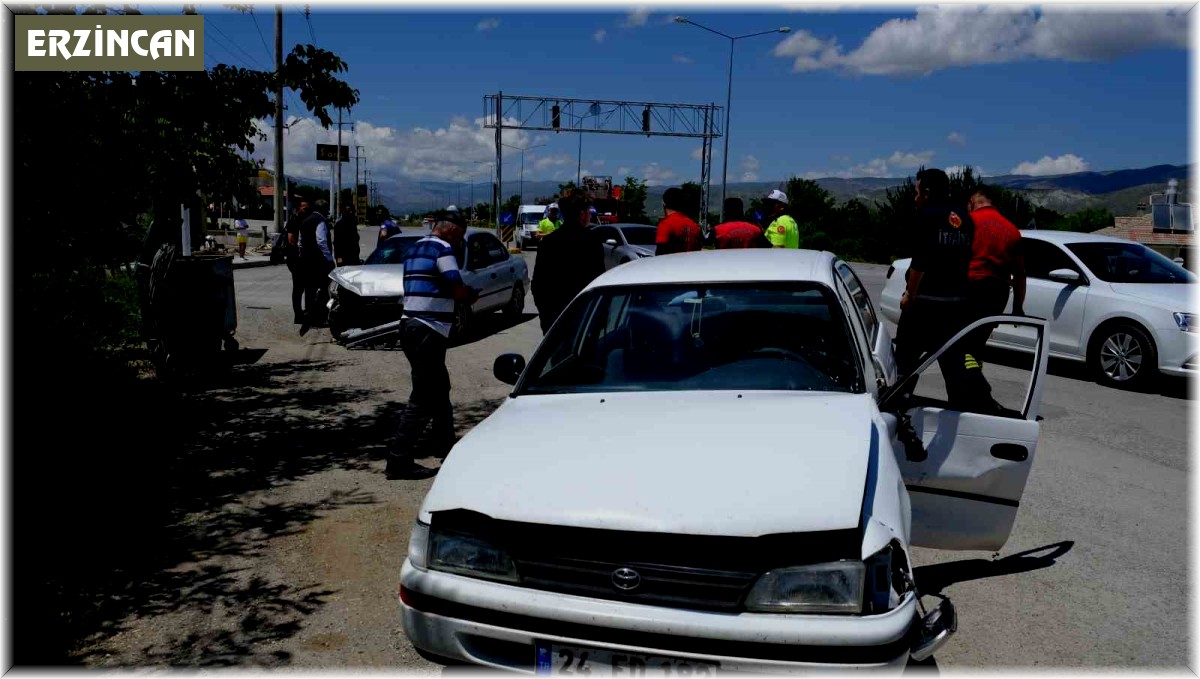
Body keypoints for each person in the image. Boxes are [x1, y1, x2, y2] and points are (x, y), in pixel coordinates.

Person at [389, 217, 478, 480]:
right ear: (450, 231)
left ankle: (445, 444)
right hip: (428, 329)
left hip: (410, 325)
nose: (460, 241)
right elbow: (454, 285)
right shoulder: (443, 249)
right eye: (459, 235)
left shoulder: (415, 248)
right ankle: (398, 460)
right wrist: (469, 295)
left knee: (439, 387)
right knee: (424, 395)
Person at [894, 168, 979, 410]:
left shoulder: (926, 216)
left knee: (905, 364)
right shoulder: (965, 218)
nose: (915, 198)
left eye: (917, 192)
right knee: (954, 366)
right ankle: (961, 414)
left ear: (927, 193)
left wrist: (910, 295)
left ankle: (898, 410)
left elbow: (920, 263)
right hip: (956, 306)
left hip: (925, 304)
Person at [531, 191, 606, 335]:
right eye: (589, 212)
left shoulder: (548, 243)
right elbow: (598, 284)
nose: (590, 216)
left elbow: (538, 285)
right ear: (582, 214)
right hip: (584, 323)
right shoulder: (592, 242)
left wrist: (546, 319)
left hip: (554, 322)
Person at [297, 199, 335, 333]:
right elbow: (321, 242)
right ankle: (318, 317)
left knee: (309, 290)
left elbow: (300, 242)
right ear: (324, 209)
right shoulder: (320, 221)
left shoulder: (305, 221)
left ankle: (309, 315)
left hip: (306, 261)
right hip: (320, 262)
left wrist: (302, 256)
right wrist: (329, 259)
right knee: (325, 289)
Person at [284, 200, 310, 325]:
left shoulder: (306, 220)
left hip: (303, 259)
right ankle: (298, 315)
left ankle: (304, 312)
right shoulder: (294, 220)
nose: (306, 211)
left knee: (304, 287)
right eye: (304, 208)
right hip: (295, 259)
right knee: (298, 288)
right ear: (299, 208)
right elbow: (291, 239)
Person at [655, 187, 702, 256]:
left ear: (664, 204)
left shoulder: (666, 224)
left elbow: (660, 253)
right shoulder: (695, 226)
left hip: (671, 265)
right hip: (691, 265)